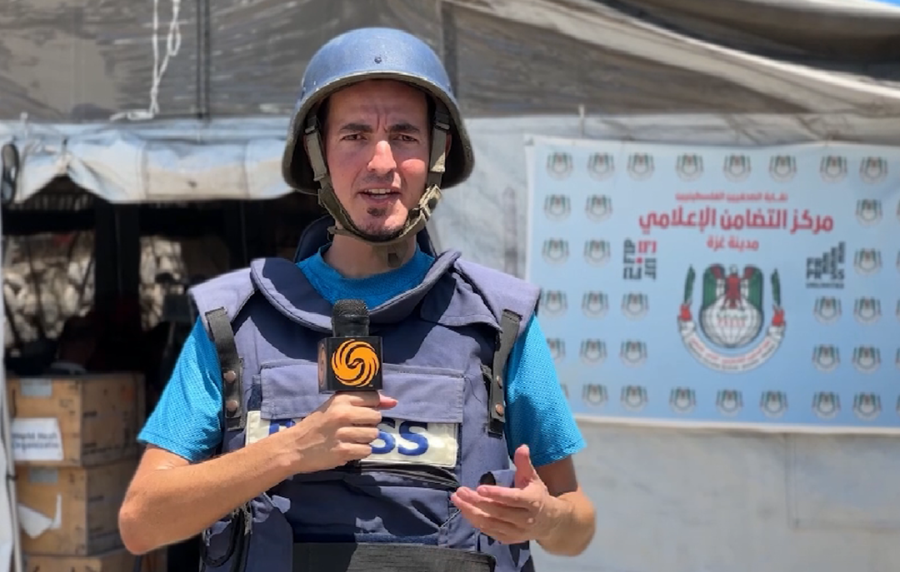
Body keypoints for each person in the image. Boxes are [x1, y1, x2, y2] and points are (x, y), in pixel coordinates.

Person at [117, 27, 596, 572]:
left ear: (437, 152)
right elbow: (141, 522)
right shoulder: (233, 324)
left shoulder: (498, 322)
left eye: (405, 135)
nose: (381, 162)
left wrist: (546, 519)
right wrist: (290, 449)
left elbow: (577, 523)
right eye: (355, 135)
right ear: (316, 153)